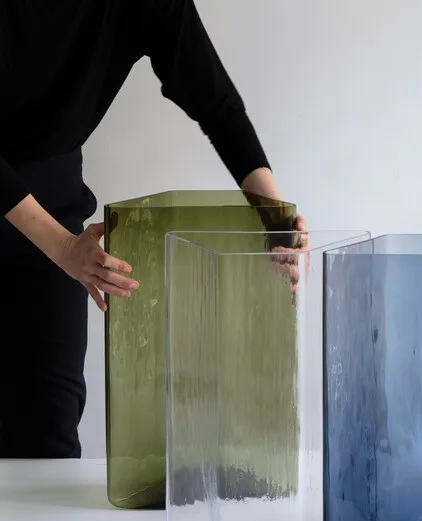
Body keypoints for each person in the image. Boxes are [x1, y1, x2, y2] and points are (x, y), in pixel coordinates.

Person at [0, 0, 305, 459]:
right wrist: (62, 246)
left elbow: (216, 103)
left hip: (52, 201)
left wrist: (278, 221)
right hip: (53, 232)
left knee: (48, 432)